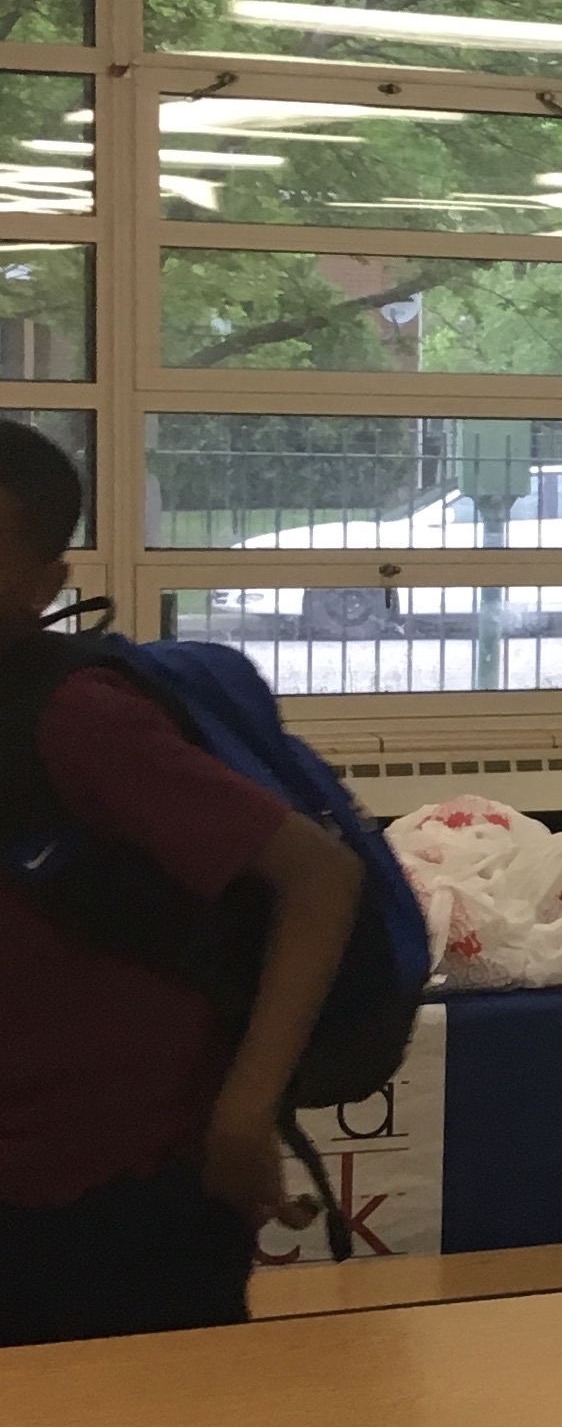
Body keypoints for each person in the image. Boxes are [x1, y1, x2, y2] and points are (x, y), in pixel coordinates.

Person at [0, 422, 363, 1346]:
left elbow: (318, 877)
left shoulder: (79, 717)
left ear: (47, 583)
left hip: (110, 1203)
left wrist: (244, 1114)